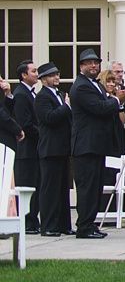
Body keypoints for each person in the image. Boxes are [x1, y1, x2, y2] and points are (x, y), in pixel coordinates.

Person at [69, 48, 122, 239]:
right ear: (81, 66)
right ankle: (84, 226)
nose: (93, 66)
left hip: (96, 145)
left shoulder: (95, 85)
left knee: (96, 187)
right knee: (87, 188)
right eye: (89, 63)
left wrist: (115, 101)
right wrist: (117, 99)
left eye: (96, 63)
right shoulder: (81, 86)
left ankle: (90, 223)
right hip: (86, 145)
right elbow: (99, 108)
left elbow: (106, 105)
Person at [34, 62, 71, 237]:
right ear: (42, 80)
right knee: (50, 189)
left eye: (57, 74)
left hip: (63, 148)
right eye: (51, 75)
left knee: (63, 188)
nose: (56, 77)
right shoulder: (42, 97)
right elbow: (49, 118)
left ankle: (64, 224)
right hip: (50, 148)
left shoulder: (60, 94)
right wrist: (66, 107)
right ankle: (48, 225)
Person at [11, 61, 40, 234]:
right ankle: (27, 221)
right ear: (24, 75)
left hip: (33, 149)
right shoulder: (21, 94)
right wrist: (43, 132)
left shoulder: (31, 93)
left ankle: (32, 220)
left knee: (35, 184)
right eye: (34, 71)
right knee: (27, 185)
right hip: (26, 150)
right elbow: (25, 124)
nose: (37, 74)